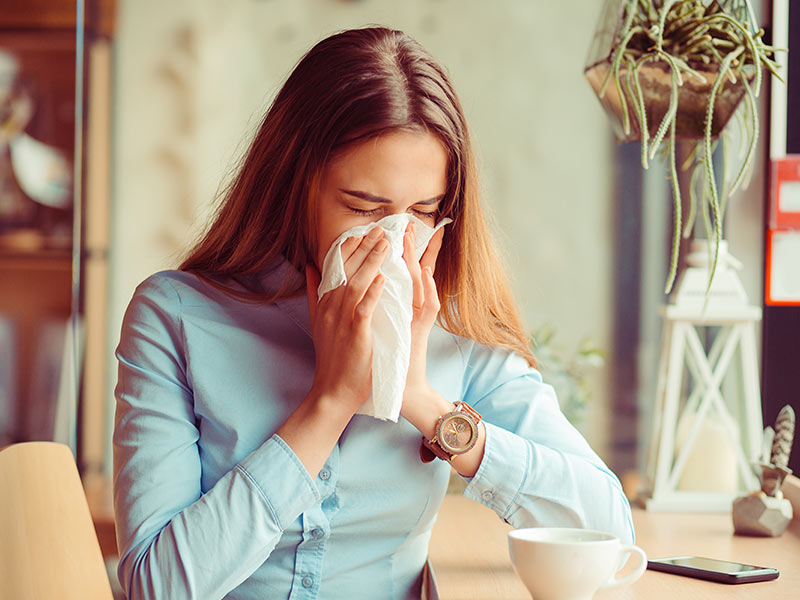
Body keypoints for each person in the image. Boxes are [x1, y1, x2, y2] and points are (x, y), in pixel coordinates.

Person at [113, 26, 634, 600]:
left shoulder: (456, 334)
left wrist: (420, 399)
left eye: (422, 210)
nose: (392, 240)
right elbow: (155, 588)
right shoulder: (176, 317)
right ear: (295, 187)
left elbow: (609, 528)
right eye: (364, 208)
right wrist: (328, 404)